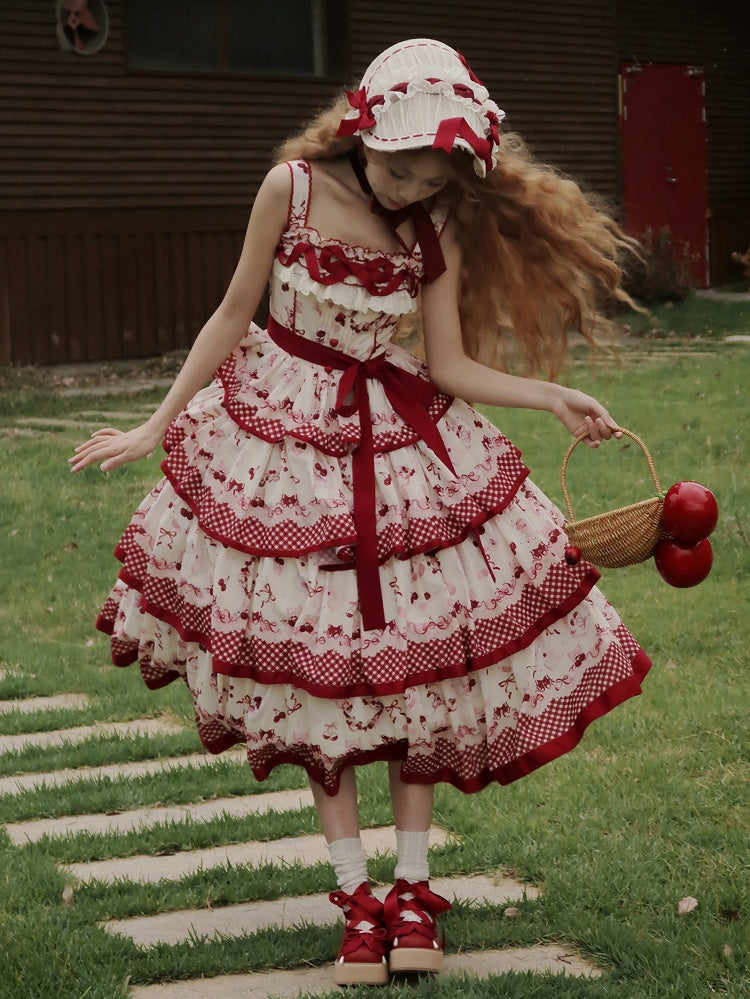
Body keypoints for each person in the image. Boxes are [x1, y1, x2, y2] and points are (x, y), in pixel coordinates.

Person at [71, 38, 651, 987]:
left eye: (430, 177)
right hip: (284, 454)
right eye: (396, 167)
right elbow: (231, 315)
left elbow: (449, 365)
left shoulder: (437, 230)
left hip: (403, 449)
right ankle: (356, 900)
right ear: (360, 130)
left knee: (413, 670)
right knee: (326, 677)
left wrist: (550, 397)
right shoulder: (289, 191)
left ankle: (415, 887)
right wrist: (155, 423)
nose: (408, 189)